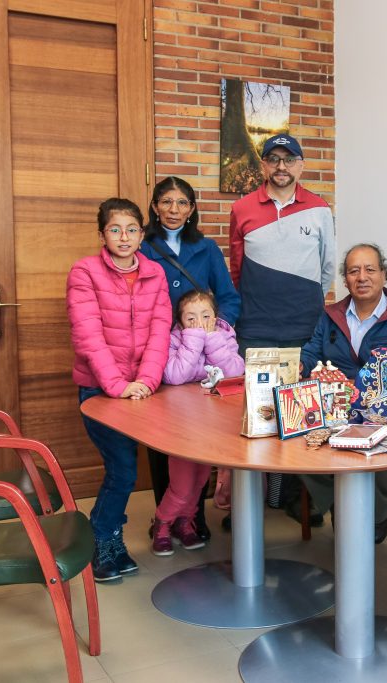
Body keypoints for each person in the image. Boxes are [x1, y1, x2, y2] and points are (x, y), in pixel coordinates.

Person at [297, 243, 387, 543]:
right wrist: (298, 366)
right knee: (297, 442)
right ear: (345, 279)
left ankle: (378, 514)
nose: (362, 277)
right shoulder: (330, 315)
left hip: (383, 412)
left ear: (384, 274)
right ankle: (340, 507)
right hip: (334, 407)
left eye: (370, 269)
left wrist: (371, 384)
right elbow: (310, 354)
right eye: (353, 271)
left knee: (379, 446)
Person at [67, 198, 172, 583]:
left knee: (124, 470)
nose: (123, 237)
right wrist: (117, 386)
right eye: (115, 229)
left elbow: (161, 331)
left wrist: (145, 381)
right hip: (99, 390)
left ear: (142, 235)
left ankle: (108, 539)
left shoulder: (155, 273)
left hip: (142, 390)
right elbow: (88, 336)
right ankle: (101, 541)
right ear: (102, 234)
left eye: (131, 229)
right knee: (124, 470)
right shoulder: (84, 272)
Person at [141, 176, 241, 539]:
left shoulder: (207, 249)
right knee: (162, 439)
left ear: (192, 209)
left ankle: (191, 519)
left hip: (201, 361)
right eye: (166, 202)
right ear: (154, 207)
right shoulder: (143, 247)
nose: (174, 209)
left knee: (197, 441)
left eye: (182, 202)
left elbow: (229, 297)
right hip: (159, 352)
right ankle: (163, 517)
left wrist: (216, 329)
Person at [149, 289, 245, 556]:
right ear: (180, 323)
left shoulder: (224, 336)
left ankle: (184, 523)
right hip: (181, 425)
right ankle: (162, 524)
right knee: (180, 485)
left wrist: (212, 340)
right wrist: (194, 339)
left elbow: (235, 370)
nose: (199, 324)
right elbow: (176, 375)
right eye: (191, 319)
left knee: (201, 480)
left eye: (205, 317)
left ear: (216, 317)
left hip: (210, 425)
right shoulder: (175, 339)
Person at [228, 133, 335, 353]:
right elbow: (237, 270)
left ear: (301, 166)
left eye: (289, 159)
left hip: (307, 328)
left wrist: (307, 298)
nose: (281, 166)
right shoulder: (241, 209)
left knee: (305, 389)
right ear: (263, 165)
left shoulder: (320, 209)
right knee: (253, 389)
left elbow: (328, 266)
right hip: (255, 330)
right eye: (274, 159)